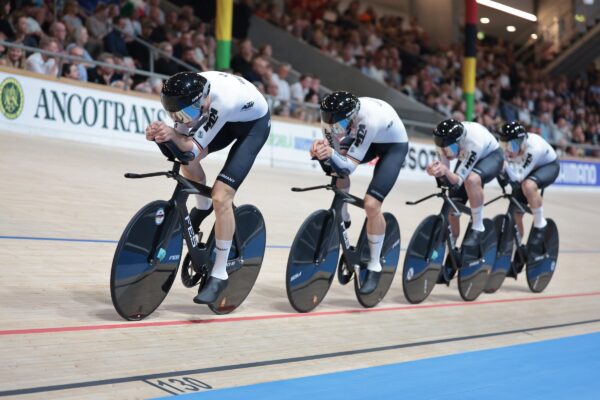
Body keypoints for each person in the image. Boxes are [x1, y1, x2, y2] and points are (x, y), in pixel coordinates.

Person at [145, 71, 270, 304]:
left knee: (222, 196)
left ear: (204, 98)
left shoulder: (222, 100)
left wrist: (172, 135)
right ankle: (202, 209)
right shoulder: (185, 96)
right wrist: (162, 136)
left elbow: (190, 147)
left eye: (188, 113)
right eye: (175, 114)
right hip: (227, 119)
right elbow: (183, 149)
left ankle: (220, 273)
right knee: (188, 161)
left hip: (253, 126)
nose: (183, 118)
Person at [310, 92, 409, 295]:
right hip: (367, 138)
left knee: (372, 204)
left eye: (337, 122)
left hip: (392, 147)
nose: (331, 125)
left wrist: (330, 154)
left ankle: (374, 265)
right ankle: (343, 216)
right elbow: (334, 167)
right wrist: (321, 154)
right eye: (328, 119)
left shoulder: (367, 121)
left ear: (351, 116)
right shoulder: (330, 120)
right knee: (336, 168)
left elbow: (348, 168)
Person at [426, 119, 503, 254]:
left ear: (459, 142)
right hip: (468, 154)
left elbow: (458, 180)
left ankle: (478, 227)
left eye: (450, 149)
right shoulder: (443, 140)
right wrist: (434, 171)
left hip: (490, 157)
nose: (446, 153)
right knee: (453, 208)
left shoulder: (473, 142)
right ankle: (453, 246)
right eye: (443, 149)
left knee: (472, 180)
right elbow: (445, 173)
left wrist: (445, 173)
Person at [498, 121, 559, 256]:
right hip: (527, 170)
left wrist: (505, 167)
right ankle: (517, 249)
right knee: (516, 213)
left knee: (528, 185)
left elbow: (518, 177)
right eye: (504, 145)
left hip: (548, 167)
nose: (507, 149)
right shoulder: (511, 147)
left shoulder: (533, 147)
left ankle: (540, 224)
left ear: (521, 142)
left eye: (511, 145)